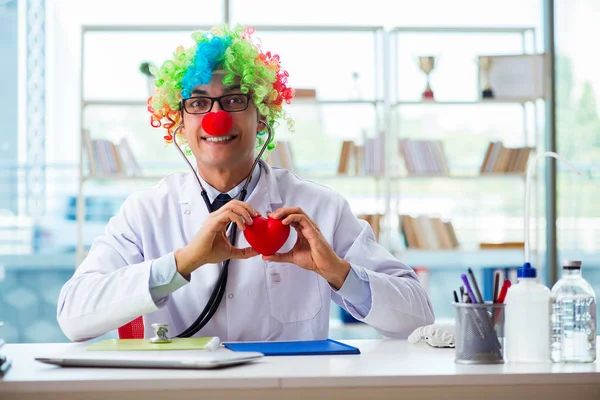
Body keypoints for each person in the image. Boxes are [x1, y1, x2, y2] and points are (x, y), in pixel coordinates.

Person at [57, 25, 434, 342]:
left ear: (262, 115)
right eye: (199, 103)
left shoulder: (321, 208)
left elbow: (418, 315)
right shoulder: (145, 213)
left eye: (234, 99)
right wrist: (183, 263)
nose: (216, 118)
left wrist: (337, 271)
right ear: (179, 123)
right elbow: (74, 317)